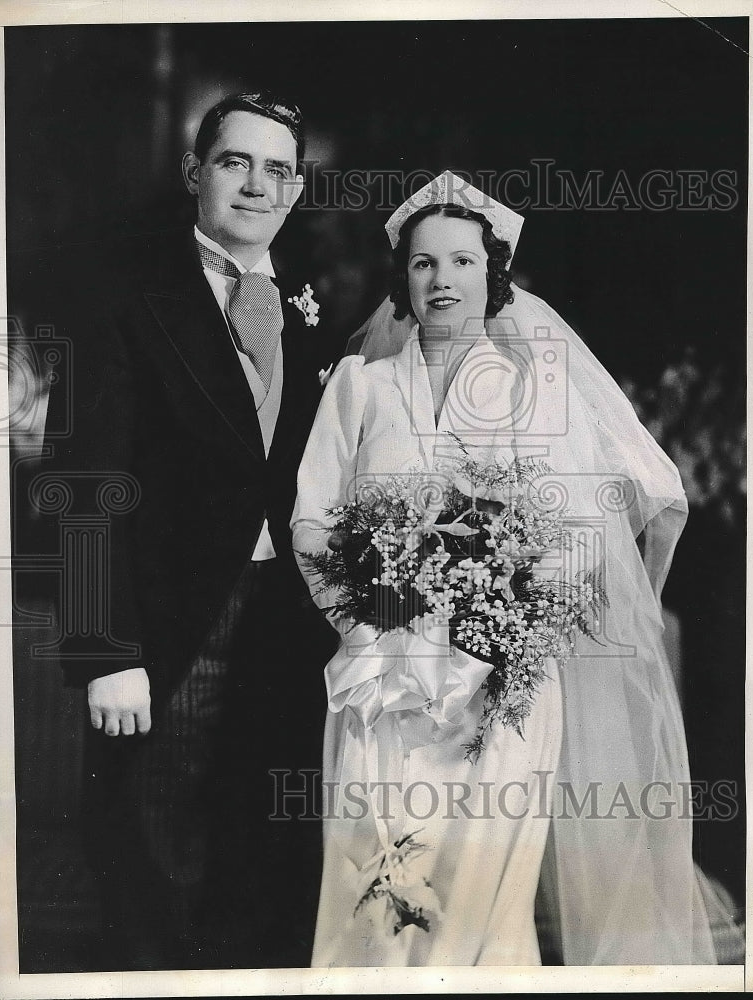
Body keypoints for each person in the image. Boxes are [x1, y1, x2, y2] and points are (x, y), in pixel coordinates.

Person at [291, 171, 724, 965]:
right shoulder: (362, 386)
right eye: (423, 264)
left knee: (479, 911)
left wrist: (504, 617)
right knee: (376, 904)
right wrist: (371, 620)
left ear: (492, 277)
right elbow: (313, 519)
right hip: (380, 679)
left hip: (502, 688)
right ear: (403, 278)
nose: (441, 280)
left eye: (461, 262)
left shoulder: (535, 392)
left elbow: (575, 532)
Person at [40, 91, 337, 969]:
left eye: (277, 168)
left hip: (286, 622)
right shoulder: (129, 298)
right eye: (233, 161)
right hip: (167, 624)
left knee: (256, 846)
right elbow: (83, 483)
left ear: (296, 188)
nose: (256, 184)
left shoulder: (309, 299)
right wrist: (104, 649)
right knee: (153, 837)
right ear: (193, 173)